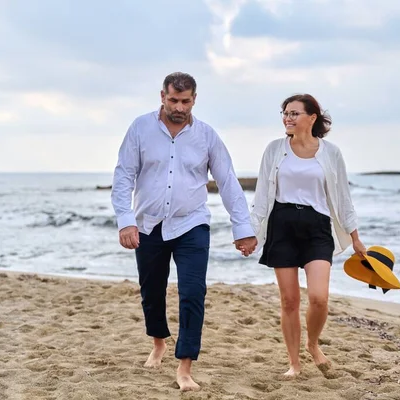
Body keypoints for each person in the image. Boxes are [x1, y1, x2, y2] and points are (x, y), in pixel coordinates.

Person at [111, 72, 257, 391]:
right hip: (148, 223)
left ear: (194, 99)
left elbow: (228, 181)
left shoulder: (206, 135)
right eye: (173, 100)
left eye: (186, 101)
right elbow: (123, 176)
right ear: (162, 96)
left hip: (192, 223)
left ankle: (185, 366)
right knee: (152, 289)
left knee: (193, 292)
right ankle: (159, 341)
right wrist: (125, 219)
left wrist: (242, 228)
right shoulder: (140, 128)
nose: (179, 107)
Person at [244, 93, 367, 377]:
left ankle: (312, 344)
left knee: (318, 298)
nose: (288, 118)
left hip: (317, 227)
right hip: (282, 225)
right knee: (289, 301)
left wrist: (355, 237)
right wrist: (249, 233)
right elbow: (262, 195)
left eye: (294, 113)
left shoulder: (331, 152)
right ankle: (294, 363)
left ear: (312, 118)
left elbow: (343, 198)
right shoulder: (274, 149)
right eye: (285, 113)